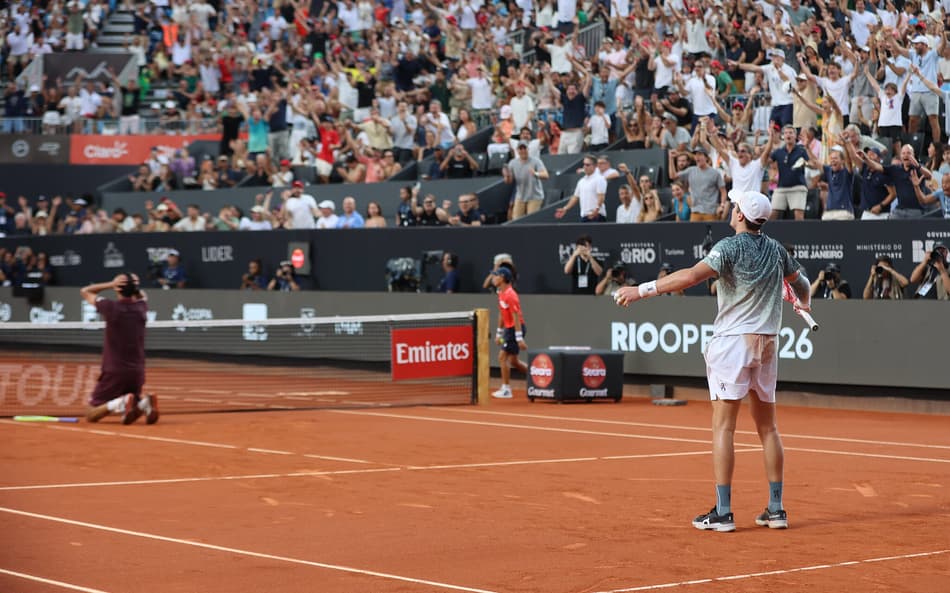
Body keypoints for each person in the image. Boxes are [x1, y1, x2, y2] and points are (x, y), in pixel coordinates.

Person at [614, 189, 812, 532]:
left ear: (739, 215)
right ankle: (776, 509)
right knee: (768, 428)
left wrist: (640, 290)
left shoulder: (728, 247)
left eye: (734, 205)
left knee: (724, 427)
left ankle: (722, 513)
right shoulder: (777, 250)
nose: (731, 208)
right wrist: (804, 303)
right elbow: (803, 284)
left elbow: (690, 277)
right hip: (767, 343)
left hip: (733, 343)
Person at [81, 273, 159, 425]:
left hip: (114, 371)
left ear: (118, 289)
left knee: (90, 414)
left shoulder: (110, 307)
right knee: (133, 406)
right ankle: (145, 404)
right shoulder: (141, 308)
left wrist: (111, 284)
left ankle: (119, 403)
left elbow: (86, 291)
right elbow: (143, 296)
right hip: (137, 372)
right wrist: (133, 285)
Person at [492, 267, 527, 399]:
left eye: (495, 275)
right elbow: (502, 314)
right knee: (514, 361)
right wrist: (498, 333)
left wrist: (519, 338)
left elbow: (516, 316)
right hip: (509, 329)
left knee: (502, 357)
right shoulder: (500, 292)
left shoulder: (511, 295)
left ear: (502, 278)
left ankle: (506, 389)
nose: (493, 278)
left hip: (515, 329)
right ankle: (537, 376)